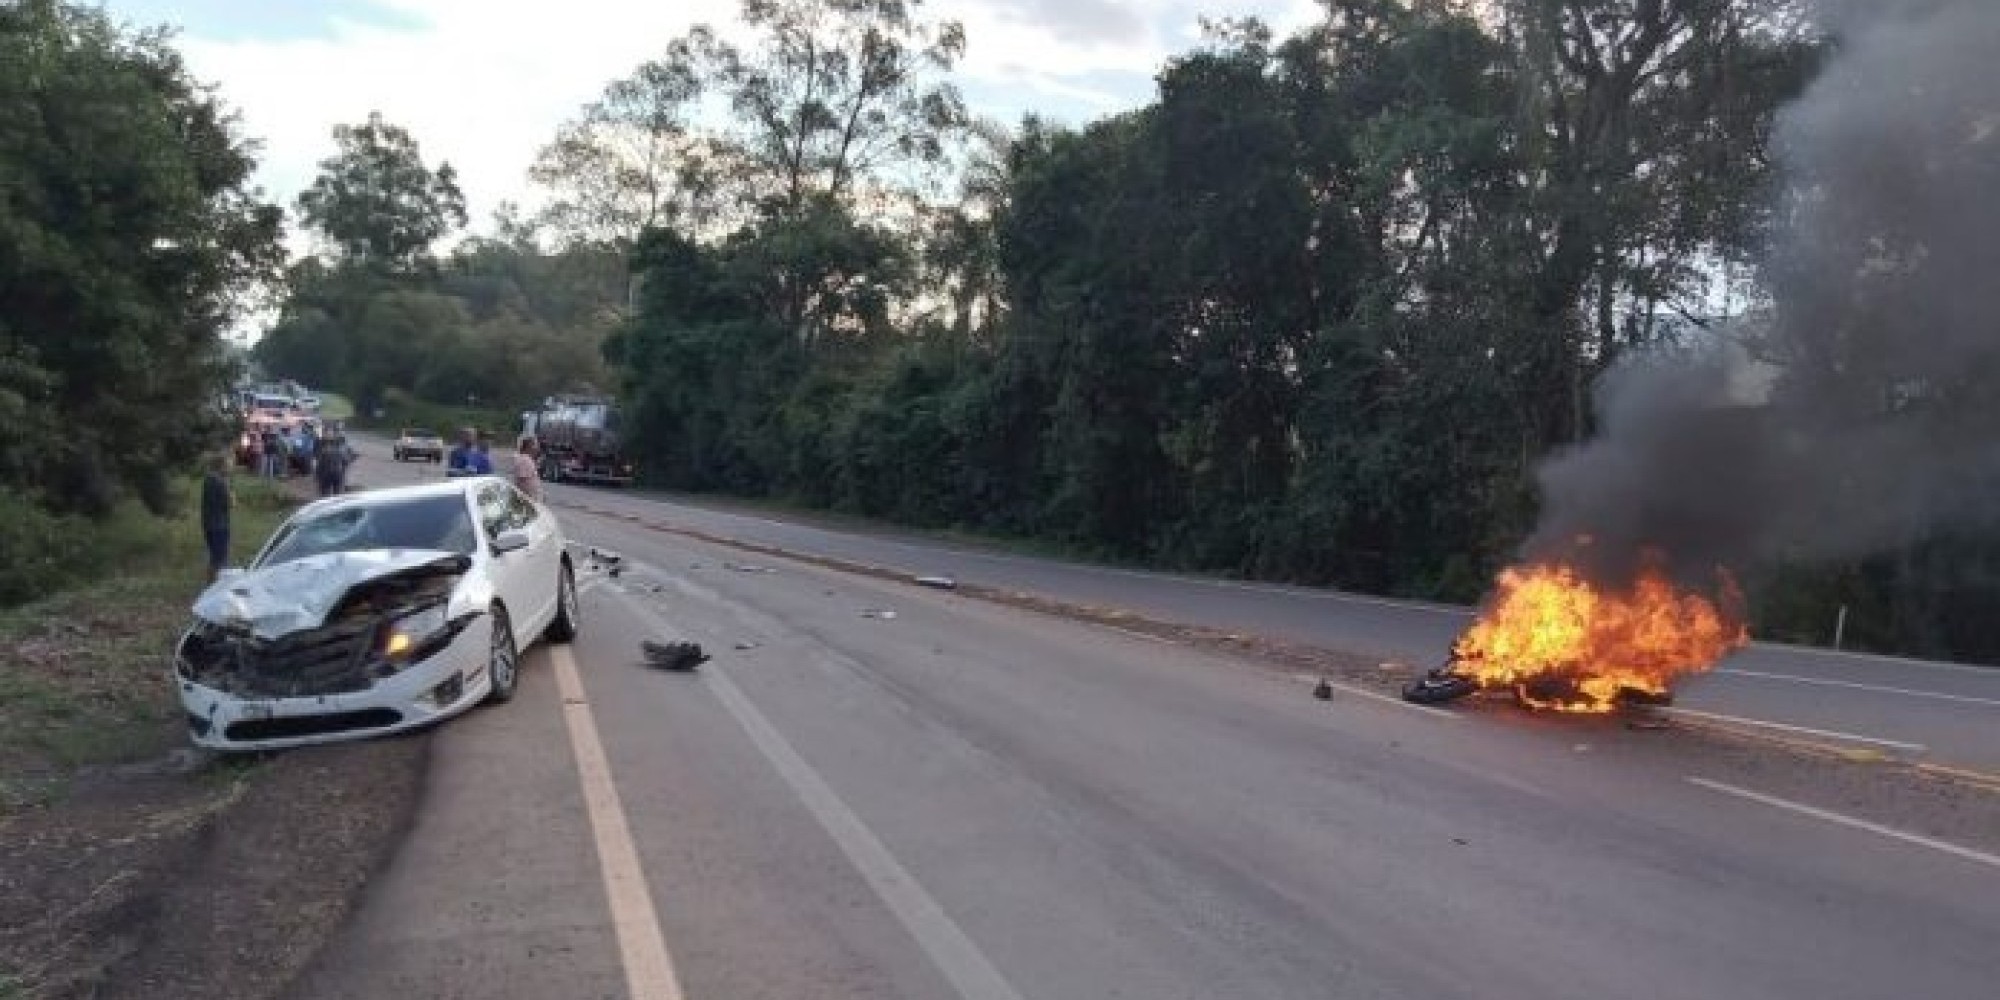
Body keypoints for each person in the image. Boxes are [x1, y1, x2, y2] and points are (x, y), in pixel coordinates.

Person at [201, 453, 233, 583]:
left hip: (208, 523)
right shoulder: (220, 482)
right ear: (222, 466)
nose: (231, 467)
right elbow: (230, 503)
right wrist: (231, 494)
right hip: (219, 524)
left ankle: (210, 582)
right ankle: (217, 585)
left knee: (214, 556)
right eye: (229, 464)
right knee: (220, 558)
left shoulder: (208, 479)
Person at [314, 429, 350, 497]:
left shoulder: (323, 449)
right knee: (335, 494)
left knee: (326, 494)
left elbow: (318, 463)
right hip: (335, 473)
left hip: (329, 474)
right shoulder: (340, 449)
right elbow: (346, 461)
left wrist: (317, 476)